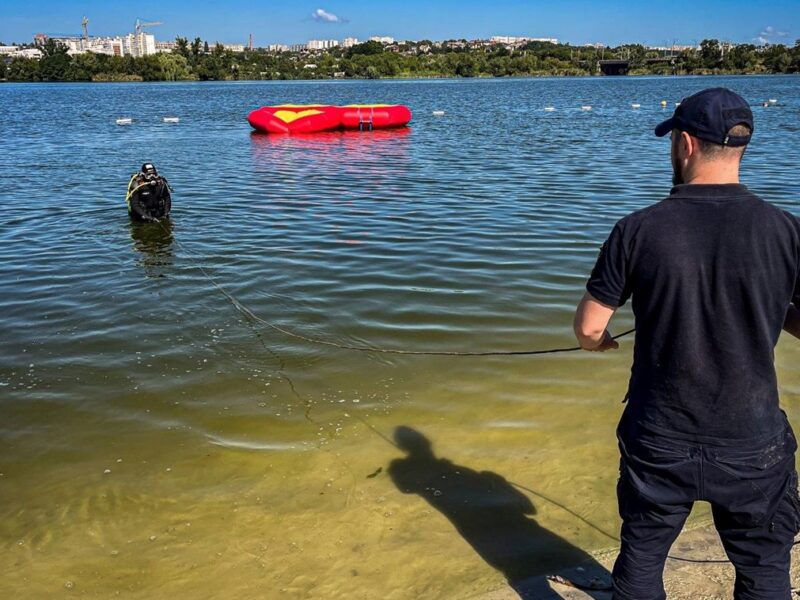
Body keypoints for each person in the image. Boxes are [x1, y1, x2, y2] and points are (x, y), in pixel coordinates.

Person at [572, 87, 800, 599]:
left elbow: (588, 327)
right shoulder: (788, 231)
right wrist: (767, 304)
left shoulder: (637, 229)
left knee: (643, 557)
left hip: (659, 436)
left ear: (686, 144)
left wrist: (602, 344)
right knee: (764, 569)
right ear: (740, 147)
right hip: (753, 439)